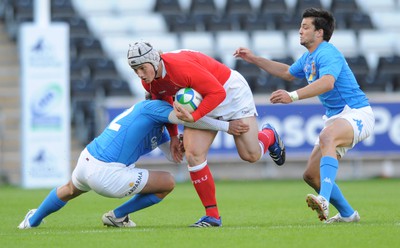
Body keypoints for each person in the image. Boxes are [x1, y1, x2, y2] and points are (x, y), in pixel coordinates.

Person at [234, 7, 375, 223]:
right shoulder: (309, 57)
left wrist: (292, 97)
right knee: (311, 175)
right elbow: (287, 73)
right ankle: (348, 214)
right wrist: (253, 59)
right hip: (336, 117)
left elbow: (328, 82)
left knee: (327, 136)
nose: (300, 30)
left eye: (305, 27)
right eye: (301, 26)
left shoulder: (327, 52)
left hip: (357, 112)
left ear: (319, 32)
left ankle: (324, 201)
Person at [18, 99, 249, 229]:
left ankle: (32, 220)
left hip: (88, 158)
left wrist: (180, 143)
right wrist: (226, 127)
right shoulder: (154, 109)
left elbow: (173, 155)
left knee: (68, 189)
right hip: (107, 173)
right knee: (167, 182)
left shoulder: (153, 120)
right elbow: (190, 120)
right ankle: (117, 215)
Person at [127, 41, 286, 227]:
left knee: (250, 155)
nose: (140, 74)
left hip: (230, 92)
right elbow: (165, 105)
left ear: (154, 61)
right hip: (201, 99)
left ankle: (269, 135)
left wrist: (193, 117)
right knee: (193, 154)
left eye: (142, 68)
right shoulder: (149, 82)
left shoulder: (179, 67)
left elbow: (217, 92)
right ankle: (212, 216)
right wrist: (172, 137)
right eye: (135, 69)